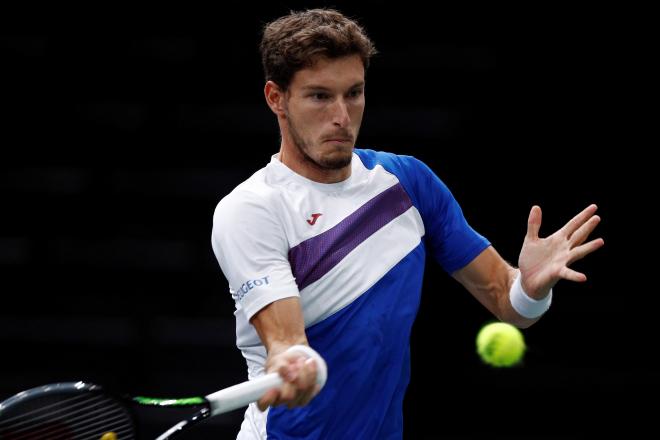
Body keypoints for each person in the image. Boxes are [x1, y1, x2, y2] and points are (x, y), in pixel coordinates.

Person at [211, 8, 604, 439]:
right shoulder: (251, 209)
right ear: (276, 97)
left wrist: (530, 287)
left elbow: (506, 302)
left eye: (354, 93)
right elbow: (286, 341)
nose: (342, 116)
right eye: (320, 97)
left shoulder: (408, 182)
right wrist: (290, 363)